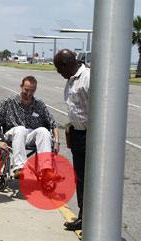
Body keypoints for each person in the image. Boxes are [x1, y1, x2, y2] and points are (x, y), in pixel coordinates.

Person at [0, 76, 61, 181]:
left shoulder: (39, 104)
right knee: (21, 129)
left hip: (30, 136)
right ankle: (19, 168)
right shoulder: (9, 101)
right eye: (26, 90)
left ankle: (46, 171)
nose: (29, 94)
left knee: (43, 131)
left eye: (32, 91)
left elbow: (52, 124)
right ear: (21, 87)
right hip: (13, 134)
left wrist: (57, 142)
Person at [53, 49, 90, 231]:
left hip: (91, 136)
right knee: (81, 178)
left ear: (67, 63)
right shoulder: (71, 80)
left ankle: (93, 218)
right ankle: (84, 216)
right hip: (77, 134)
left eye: (59, 70)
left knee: (93, 178)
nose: (60, 74)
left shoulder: (88, 77)